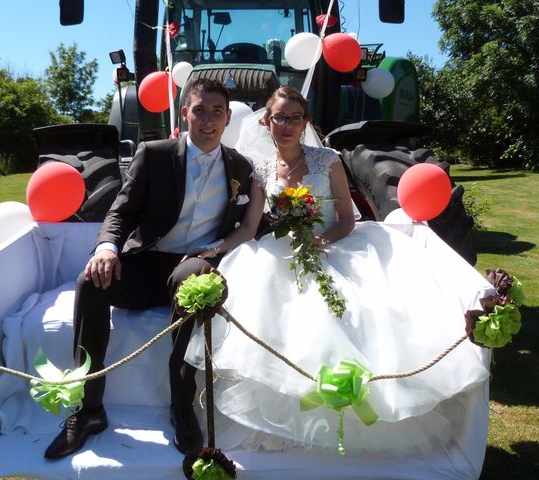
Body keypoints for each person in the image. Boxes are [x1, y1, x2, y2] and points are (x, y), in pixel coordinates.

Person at [185, 86, 495, 454]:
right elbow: (250, 228)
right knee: (268, 306)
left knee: (353, 310)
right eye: (280, 118)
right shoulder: (261, 170)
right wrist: (218, 248)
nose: (286, 125)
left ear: (306, 123)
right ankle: (284, 423)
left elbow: (348, 219)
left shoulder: (327, 160)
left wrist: (323, 240)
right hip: (281, 253)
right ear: (266, 122)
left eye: (295, 118)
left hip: (332, 245)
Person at [44, 78, 265, 460]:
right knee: (89, 282)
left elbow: (250, 223)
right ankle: (89, 408)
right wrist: (107, 248)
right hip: (147, 260)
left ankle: (182, 409)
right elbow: (121, 210)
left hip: (195, 261)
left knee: (191, 282)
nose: (208, 120)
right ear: (184, 114)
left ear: (228, 118)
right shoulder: (155, 153)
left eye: (217, 112)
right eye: (199, 110)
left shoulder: (241, 167)